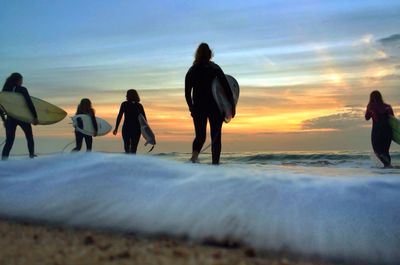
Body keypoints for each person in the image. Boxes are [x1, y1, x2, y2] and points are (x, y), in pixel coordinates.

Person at [185, 43, 235, 165]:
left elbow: (187, 93)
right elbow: (227, 89)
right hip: (216, 108)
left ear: (197, 54)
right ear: (210, 54)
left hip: (199, 108)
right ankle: (215, 164)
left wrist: (191, 108)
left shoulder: (192, 70)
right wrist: (231, 107)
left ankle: (194, 159)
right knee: (216, 138)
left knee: (200, 136)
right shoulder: (215, 68)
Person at [2, 73, 38, 160]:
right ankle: (31, 155)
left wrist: (4, 120)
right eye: (21, 80)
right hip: (22, 117)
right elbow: (29, 103)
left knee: (9, 141)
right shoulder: (22, 89)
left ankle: (3, 160)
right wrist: (35, 116)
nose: (22, 82)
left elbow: (1, 106)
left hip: (11, 118)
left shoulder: (5, 91)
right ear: (18, 80)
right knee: (29, 137)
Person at [365, 90, 394, 168]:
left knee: (377, 151)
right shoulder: (387, 106)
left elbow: (367, 117)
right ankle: (388, 168)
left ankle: (388, 165)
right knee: (385, 151)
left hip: (377, 131)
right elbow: (392, 118)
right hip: (388, 131)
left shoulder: (370, 106)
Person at [113, 89, 146, 154]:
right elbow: (145, 120)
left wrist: (116, 128)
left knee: (127, 147)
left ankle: (128, 162)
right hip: (136, 129)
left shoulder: (125, 104)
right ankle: (132, 162)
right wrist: (146, 132)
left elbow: (119, 116)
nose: (126, 96)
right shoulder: (139, 105)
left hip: (127, 128)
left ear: (130, 95)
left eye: (127, 94)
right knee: (133, 148)